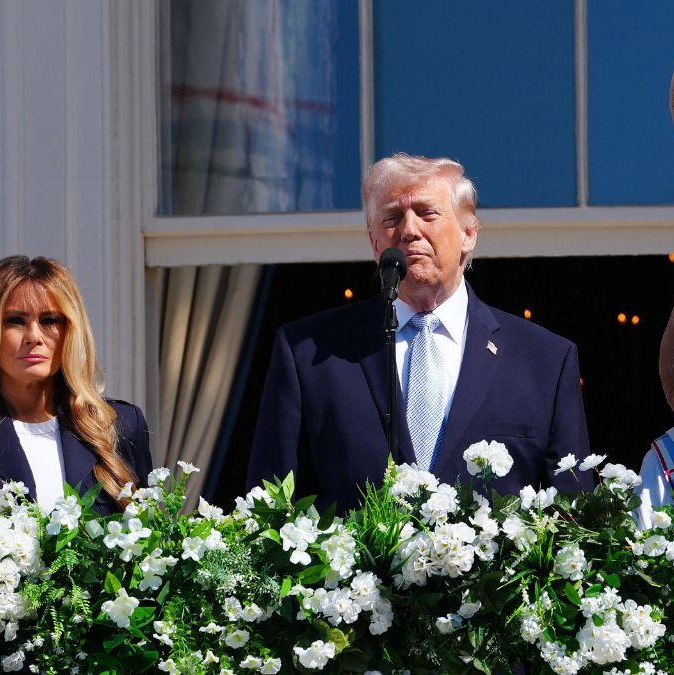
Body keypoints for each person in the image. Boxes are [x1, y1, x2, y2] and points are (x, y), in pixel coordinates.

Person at [247, 154, 591, 510]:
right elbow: (271, 511)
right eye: (392, 217)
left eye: (427, 213)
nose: (409, 230)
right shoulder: (310, 353)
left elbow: (574, 519)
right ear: (375, 244)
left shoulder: (544, 361)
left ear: (468, 234)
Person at [0, 256, 153, 517]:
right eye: (16, 321)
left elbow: (149, 542)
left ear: (71, 331)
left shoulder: (118, 425)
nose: (34, 336)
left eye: (50, 320)